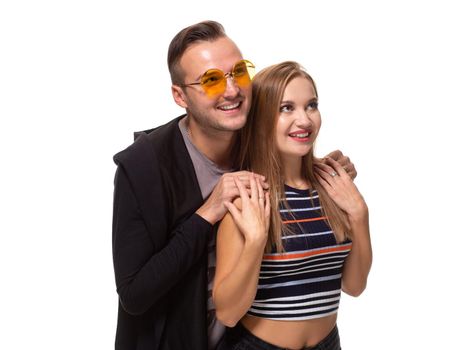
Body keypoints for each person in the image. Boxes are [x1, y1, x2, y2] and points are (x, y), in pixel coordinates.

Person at [112, 21, 357, 350]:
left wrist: (321, 170)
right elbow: (135, 295)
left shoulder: (255, 135)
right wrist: (206, 213)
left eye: (239, 72)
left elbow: (290, 156)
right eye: (211, 80)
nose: (231, 90)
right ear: (179, 96)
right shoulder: (143, 167)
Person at [213, 61, 373, 349]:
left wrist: (360, 215)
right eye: (286, 108)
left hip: (328, 342)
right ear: (262, 118)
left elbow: (354, 286)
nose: (305, 120)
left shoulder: (332, 188)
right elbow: (227, 313)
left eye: (311, 105)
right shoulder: (248, 198)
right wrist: (255, 243)